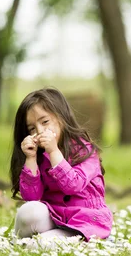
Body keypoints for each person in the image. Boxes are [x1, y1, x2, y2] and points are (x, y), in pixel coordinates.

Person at [9, 88, 112, 247]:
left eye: (45, 122)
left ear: (62, 118)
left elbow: (73, 185)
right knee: (27, 212)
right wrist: (30, 159)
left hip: (83, 224)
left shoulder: (87, 152)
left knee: (39, 245)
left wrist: (54, 152)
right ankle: (17, 241)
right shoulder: (39, 156)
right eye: (32, 128)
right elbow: (32, 198)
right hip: (54, 216)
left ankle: (33, 244)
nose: (39, 131)